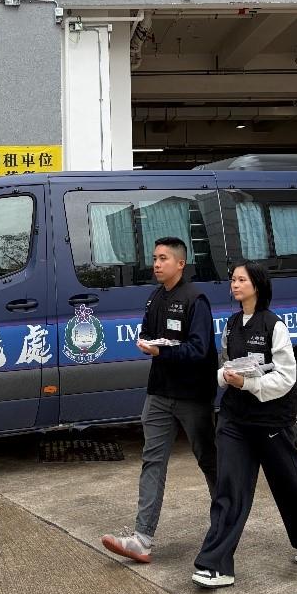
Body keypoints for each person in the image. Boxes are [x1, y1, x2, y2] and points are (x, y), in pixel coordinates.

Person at [192, 260, 297, 588]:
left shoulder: (275, 326)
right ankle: (215, 565)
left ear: (256, 284)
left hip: (271, 419)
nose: (234, 284)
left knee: (290, 483)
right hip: (234, 419)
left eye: (241, 279)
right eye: (232, 280)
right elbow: (226, 363)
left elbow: (286, 378)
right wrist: (223, 378)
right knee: (229, 489)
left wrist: (250, 385)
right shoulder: (230, 324)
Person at [101, 236, 218, 564]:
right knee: (153, 461)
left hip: (192, 396)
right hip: (159, 394)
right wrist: (149, 344)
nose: (156, 264)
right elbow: (148, 334)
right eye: (155, 258)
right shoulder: (154, 299)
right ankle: (142, 539)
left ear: (180, 263)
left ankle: (225, 523)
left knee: (208, 460)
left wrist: (161, 349)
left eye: (163, 258)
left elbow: (199, 349)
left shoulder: (197, 299)